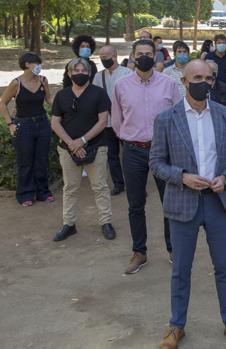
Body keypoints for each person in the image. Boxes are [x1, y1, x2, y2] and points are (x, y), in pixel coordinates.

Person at [150, 59, 226, 349]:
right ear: (183, 81)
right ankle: (176, 326)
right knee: (181, 268)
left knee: (224, 266)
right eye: (197, 77)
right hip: (183, 203)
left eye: (208, 78)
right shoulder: (166, 119)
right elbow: (156, 162)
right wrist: (181, 177)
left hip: (218, 203)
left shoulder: (223, 115)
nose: (203, 82)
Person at [111, 39, 182, 274]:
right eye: (139, 53)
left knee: (169, 202)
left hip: (163, 151)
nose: (144, 57)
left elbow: (179, 116)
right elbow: (117, 118)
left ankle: (174, 250)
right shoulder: (121, 85)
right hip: (133, 151)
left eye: (149, 53)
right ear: (132, 56)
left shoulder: (169, 84)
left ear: (156, 56)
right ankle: (139, 252)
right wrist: (127, 138)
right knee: (135, 204)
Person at [50, 57, 117, 242]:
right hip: (67, 148)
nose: (80, 74)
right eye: (75, 71)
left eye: (83, 70)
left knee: (100, 186)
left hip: (96, 147)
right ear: (69, 73)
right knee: (70, 188)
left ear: (89, 72)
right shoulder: (62, 96)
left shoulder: (99, 94)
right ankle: (68, 224)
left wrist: (82, 140)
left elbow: (103, 121)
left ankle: (106, 222)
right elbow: (55, 122)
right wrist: (72, 143)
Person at [0, 52, 54, 206]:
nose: (39, 66)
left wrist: (60, 110)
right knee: (25, 161)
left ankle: (43, 192)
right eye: (36, 64)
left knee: (41, 160)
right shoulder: (16, 83)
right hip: (23, 125)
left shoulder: (43, 80)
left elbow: (49, 99)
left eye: (39, 63)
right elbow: (2, 103)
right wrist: (10, 124)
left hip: (42, 123)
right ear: (26, 65)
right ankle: (25, 194)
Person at [92, 45, 133, 196]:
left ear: (114, 56)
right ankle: (118, 183)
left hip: (125, 121)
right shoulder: (98, 76)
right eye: (101, 58)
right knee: (112, 155)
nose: (103, 60)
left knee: (130, 154)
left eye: (106, 57)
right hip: (107, 122)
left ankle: (134, 183)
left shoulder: (127, 73)